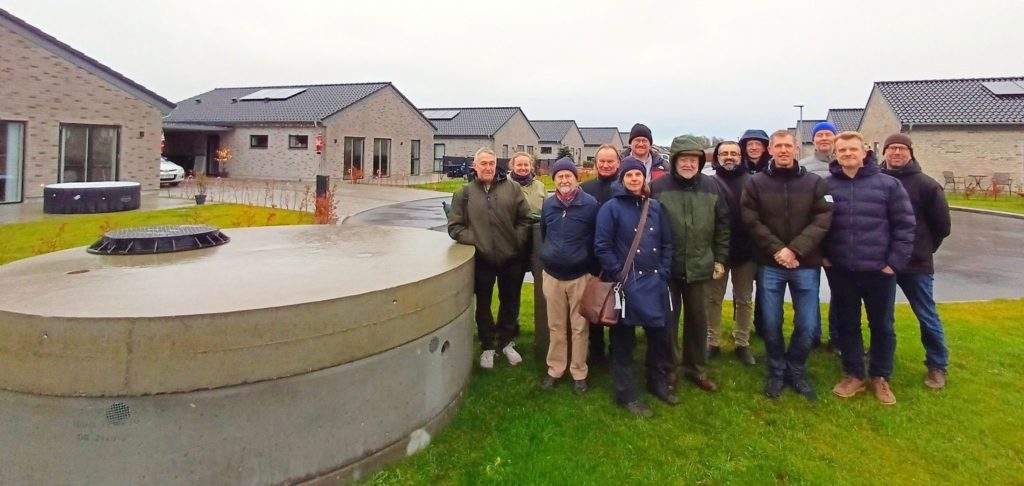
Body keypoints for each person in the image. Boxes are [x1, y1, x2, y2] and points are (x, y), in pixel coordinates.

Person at [741, 130, 833, 400]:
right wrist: (778, 249)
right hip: (770, 264)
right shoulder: (755, 183)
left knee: (807, 324)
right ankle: (776, 370)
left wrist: (794, 250)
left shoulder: (815, 182)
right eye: (778, 146)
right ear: (770, 149)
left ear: (796, 149)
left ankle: (797, 369)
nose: (783, 150)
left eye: (788, 146)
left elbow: (823, 219)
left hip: (805, 264)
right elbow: (751, 219)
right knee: (770, 323)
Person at [824, 131, 915, 405]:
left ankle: (880, 376)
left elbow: (905, 226)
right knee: (848, 324)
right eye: (843, 150)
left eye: (853, 149)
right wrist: (825, 258)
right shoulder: (825, 186)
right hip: (841, 270)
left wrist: (893, 264)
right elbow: (816, 226)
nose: (848, 154)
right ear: (836, 155)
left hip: (879, 270)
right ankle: (854, 374)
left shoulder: (888, 185)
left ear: (864, 153)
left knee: (883, 325)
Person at [594, 157, 674, 417]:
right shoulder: (611, 208)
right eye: (629, 175)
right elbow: (602, 247)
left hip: (655, 282)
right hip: (625, 285)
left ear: (644, 178)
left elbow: (666, 245)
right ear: (622, 178)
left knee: (659, 339)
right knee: (623, 342)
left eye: (638, 175)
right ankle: (626, 393)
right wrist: (620, 275)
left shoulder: (656, 208)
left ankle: (658, 383)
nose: (634, 179)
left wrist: (663, 273)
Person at [651, 135, 730, 393]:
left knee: (698, 321)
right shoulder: (658, 188)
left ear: (699, 161)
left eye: (693, 159)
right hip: (668, 269)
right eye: (683, 159)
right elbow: (649, 227)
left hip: (700, 266)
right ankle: (671, 368)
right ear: (674, 161)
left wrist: (720, 259)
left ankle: (696, 368)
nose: (688, 164)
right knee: (669, 321)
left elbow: (723, 226)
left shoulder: (712, 187)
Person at [447, 148, 533, 370]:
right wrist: (475, 240)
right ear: (475, 166)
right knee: (483, 304)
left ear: (497, 165)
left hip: (510, 257)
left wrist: (516, 240)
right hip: (482, 259)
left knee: (510, 301)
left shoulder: (512, 188)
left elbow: (525, 219)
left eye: (491, 163)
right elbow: (455, 227)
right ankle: (487, 345)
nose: (488, 167)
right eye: (483, 163)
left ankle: (506, 342)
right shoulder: (464, 194)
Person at [880, 133, 952, 389]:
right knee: (882, 317)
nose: (896, 153)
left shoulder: (926, 185)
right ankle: (881, 363)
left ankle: (937, 364)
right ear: (884, 152)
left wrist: (925, 248)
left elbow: (942, 226)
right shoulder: (876, 181)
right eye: (891, 149)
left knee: (926, 314)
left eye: (901, 149)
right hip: (883, 262)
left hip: (916, 264)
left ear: (910, 153)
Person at [539, 157, 600, 393]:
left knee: (579, 327)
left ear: (577, 178)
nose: (564, 180)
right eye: (560, 176)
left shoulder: (590, 204)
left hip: (580, 276)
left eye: (568, 176)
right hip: (553, 275)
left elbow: (597, 238)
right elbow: (544, 233)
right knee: (555, 326)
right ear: (554, 179)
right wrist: (549, 255)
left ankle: (578, 372)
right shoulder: (548, 205)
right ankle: (555, 369)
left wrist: (589, 267)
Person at [706, 141, 757, 365]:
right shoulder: (709, 182)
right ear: (717, 157)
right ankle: (712, 341)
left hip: (746, 251)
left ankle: (742, 343)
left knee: (744, 299)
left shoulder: (753, 182)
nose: (729, 157)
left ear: (741, 156)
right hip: (716, 251)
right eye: (724, 153)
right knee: (713, 299)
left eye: (734, 154)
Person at [581, 143, 622, 362]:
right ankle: (596, 351)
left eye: (610, 161)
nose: (606, 165)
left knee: (619, 308)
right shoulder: (585, 189)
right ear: (596, 163)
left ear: (618, 163)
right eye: (602, 161)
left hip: (620, 259)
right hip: (592, 259)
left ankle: (619, 352)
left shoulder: (625, 188)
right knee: (594, 306)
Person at [509, 151, 547, 216]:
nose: (523, 168)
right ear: (513, 166)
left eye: (526, 165)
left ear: (531, 166)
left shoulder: (540, 186)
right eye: (519, 165)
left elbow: (547, 212)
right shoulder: (504, 185)